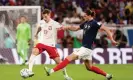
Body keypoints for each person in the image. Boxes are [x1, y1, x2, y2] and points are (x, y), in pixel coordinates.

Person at [44, 9, 117, 80]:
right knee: (89, 67)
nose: (84, 17)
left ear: (89, 16)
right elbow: (76, 28)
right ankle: (107, 75)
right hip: (87, 49)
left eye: (85, 16)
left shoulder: (94, 23)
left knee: (69, 58)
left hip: (86, 48)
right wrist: (67, 27)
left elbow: (106, 29)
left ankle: (51, 71)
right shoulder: (85, 23)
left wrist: (112, 39)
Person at [27, 9, 72, 80]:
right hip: (42, 43)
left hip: (50, 45)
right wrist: (36, 34)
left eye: (46, 16)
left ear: (49, 15)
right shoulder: (41, 22)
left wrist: (68, 27)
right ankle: (29, 71)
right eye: (43, 17)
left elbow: (62, 27)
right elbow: (39, 27)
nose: (44, 18)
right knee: (34, 52)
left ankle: (66, 76)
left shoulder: (54, 23)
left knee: (59, 62)